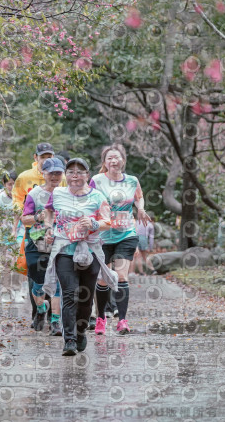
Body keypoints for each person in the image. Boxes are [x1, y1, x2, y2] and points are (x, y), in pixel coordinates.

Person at [41, 158, 116, 356]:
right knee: (69, 293)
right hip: (64, 250)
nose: (75, 175)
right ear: (66, 175)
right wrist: (49, 228)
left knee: (85, 298)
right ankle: (70, 340)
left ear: (87, 176)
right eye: (71, 171)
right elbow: (48, 212)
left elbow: (108, 221)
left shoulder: (98, 196)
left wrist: (93, 224)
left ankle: (81, 331)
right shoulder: (57, 193)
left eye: (80, 172)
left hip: (90, 251)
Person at [91, 144, 151, 335]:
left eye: (117, 157)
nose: (113, 161)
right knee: (103, 279)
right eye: (109, 158)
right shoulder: (97, 180)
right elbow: (88, 200)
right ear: (104, 162)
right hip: (102, 236)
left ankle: (122, 321)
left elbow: (139, 197)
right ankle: (101, 318)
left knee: (122, 276)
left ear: (123, 160)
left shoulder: (132, 180)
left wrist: (140, 208)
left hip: (126, 234)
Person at [11, 143, 59, 326]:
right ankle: (37, 312)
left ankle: (54, 318)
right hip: (32, 228)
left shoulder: (60, 177)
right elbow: (16, 199)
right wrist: (26, 214)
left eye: (49, 156)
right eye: (43, 156)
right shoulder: (24, 177)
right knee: (33, 270)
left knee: (54, 272)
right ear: (35, 157)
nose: (46, 160)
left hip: (56, 232)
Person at [20, 158, 65, 335]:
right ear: (43, 173)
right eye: (51, 173)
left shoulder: (66, 193)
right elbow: (25, 219)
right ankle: (41, 308)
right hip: (36, 242)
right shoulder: (35, 194)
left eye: (58, 173)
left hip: (59, 241)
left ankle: (55, 322)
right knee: (38, 282)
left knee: (57, 282)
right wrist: (38, 217)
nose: (55, 176)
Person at [0, 172, 26, 301]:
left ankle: (17, 289)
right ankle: (5, 291)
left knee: (18, 262)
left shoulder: (23, 196)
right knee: (5, 263)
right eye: (10, 184)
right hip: (2, 233)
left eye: (15, 184)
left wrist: (15, 230)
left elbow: (22, 215)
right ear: (4, 184)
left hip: (19, 232)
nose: (12, 187)